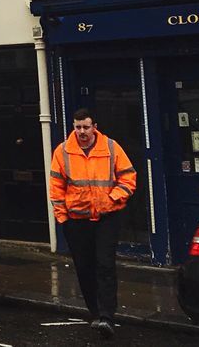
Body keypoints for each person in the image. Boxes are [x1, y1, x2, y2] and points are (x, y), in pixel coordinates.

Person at [49, 109, 137, 339]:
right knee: (84, 267)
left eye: (86, 127)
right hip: (77, 220)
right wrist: (63, 218)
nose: (82, 132)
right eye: (77, 127)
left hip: (107, 218)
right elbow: (56, 188)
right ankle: (96, 312)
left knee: (105, 264)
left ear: (94, 126)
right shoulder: (63, 151)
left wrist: (111, 199)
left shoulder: (110, 147)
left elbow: (129, 178)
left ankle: (107, 315)